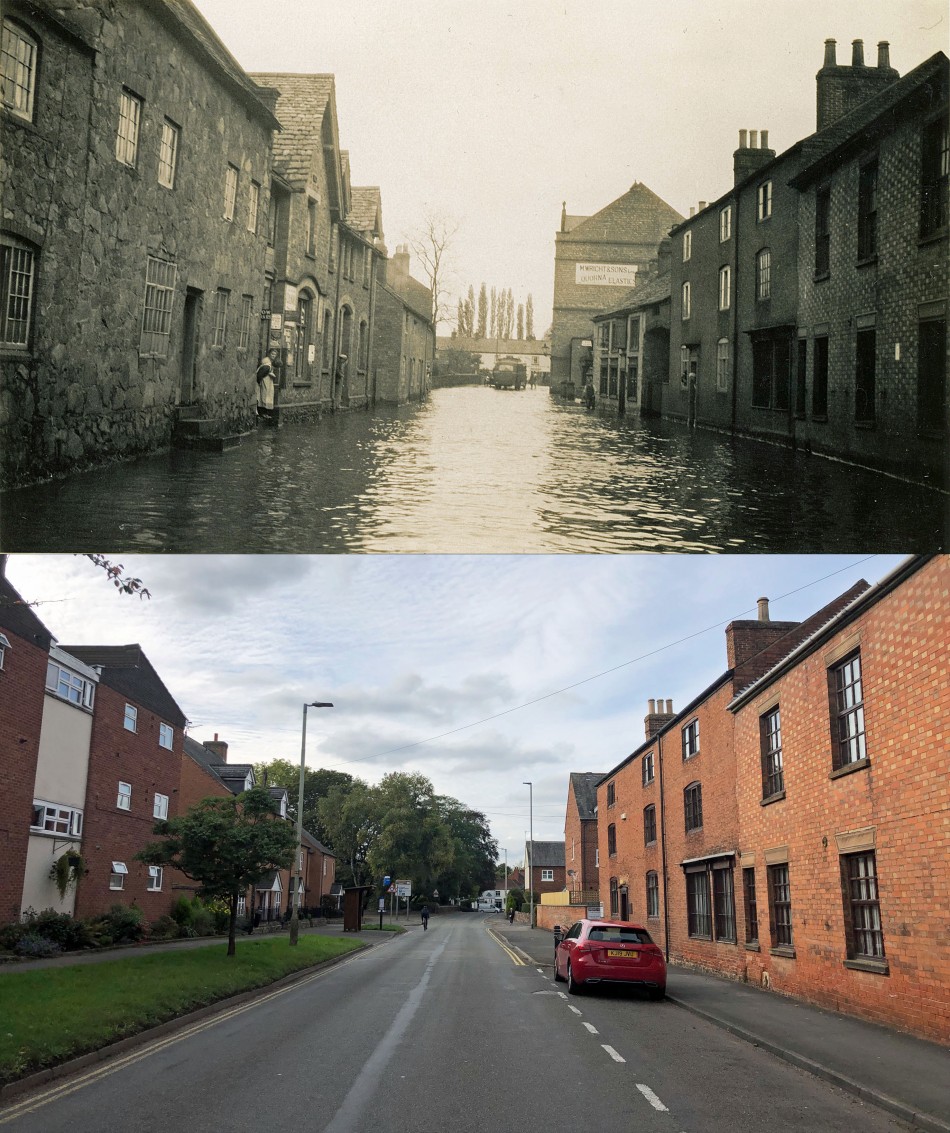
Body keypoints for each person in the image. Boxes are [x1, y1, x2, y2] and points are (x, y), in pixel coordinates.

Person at [256, 347, 279, 415]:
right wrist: (260, 382)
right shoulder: (267, 364)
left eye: (275, 354)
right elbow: (260, 374)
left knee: (266, 396)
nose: (273, 356)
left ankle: (265, 413)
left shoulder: (270, 363)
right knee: (264, 396)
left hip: (267, 382)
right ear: (269, 354)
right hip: (264, 382)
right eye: (272, 354)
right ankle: (263, 413)